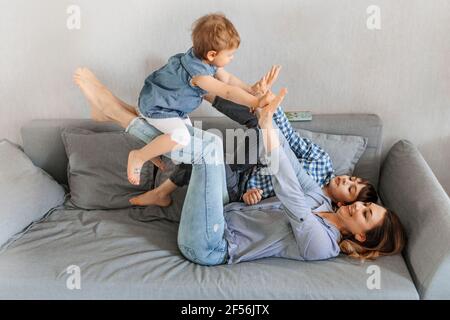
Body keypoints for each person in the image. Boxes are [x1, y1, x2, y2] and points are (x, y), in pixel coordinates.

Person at [73, 75, 406, 263]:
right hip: (221, 209)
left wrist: (265, 124)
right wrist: (267, 122)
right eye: (366, 205)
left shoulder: (323, 244)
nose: (359, 205)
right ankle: (122, 116)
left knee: (208, 149)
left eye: (365, 213)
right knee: (208, 147)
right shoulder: (322, 200)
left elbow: (289, 191)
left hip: (211, 245)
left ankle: (119, 116)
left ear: (361, 236)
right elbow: (288, 159)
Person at [75, 13, 279, 186]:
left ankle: (151, 148)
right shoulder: (199, 76)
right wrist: (255, 103)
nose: (232, 58)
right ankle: (139, 156)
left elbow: (229, 80)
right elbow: (226, 91)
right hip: (158, 108)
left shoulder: (200, 59)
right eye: (231, 55)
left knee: (187, 143)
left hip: (167, 105)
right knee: (182, 138)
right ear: (211, 54)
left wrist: (252, 90)